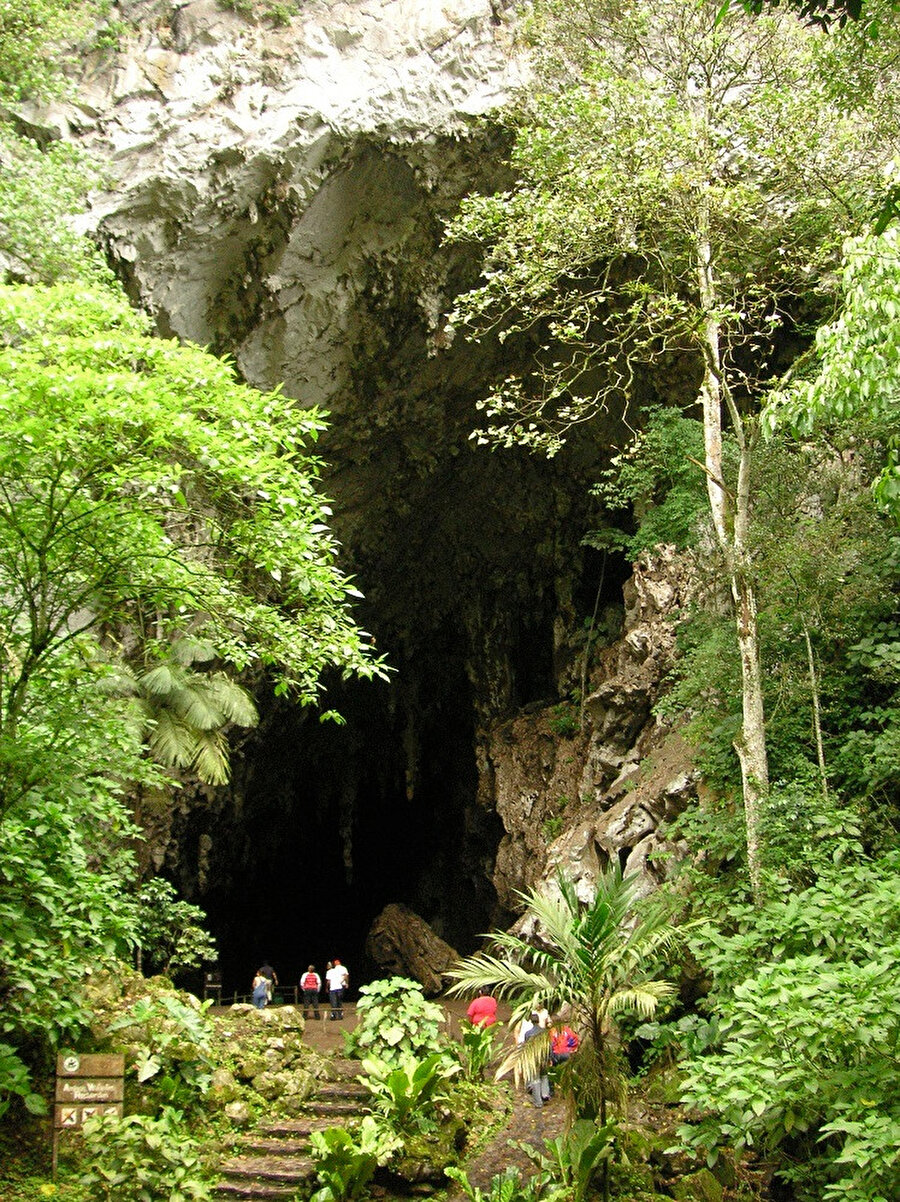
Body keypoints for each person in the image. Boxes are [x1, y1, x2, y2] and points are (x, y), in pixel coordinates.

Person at [522, 1011, 551, 1108]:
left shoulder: (528, 1033)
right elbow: (548, 1046)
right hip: (543, 1056)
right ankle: (545, 1094)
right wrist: (549, 1057)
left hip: (533, 1057)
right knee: (544, 1075)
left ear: (531, 1021)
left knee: (535, 1079)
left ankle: (538, 1102)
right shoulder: (544, 1032)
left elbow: (526, 1047)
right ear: (538, 1021)